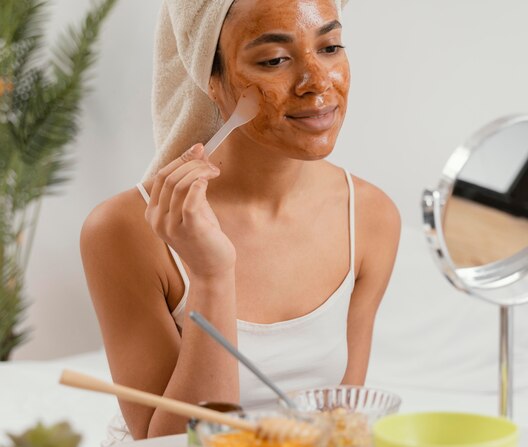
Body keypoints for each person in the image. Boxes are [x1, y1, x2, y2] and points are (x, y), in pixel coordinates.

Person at [80, 0, 400, 442]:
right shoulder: (127, 229)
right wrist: (211, 277)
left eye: (330, 47)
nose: (318, 82)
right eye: (274, 60)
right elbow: (170, 441)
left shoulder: (370, 217)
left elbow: (343, 424)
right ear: (213, 80)